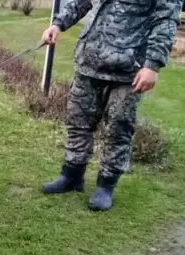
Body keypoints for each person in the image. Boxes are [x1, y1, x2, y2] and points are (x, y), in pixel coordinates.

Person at [41, 0, 183, 211]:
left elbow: (166, 19)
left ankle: (106, 185)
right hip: (89, 61)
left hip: (128, 69)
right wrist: (58, 24)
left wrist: (152, 65)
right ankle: (72, 175)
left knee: (118, 128)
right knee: (78, 121)